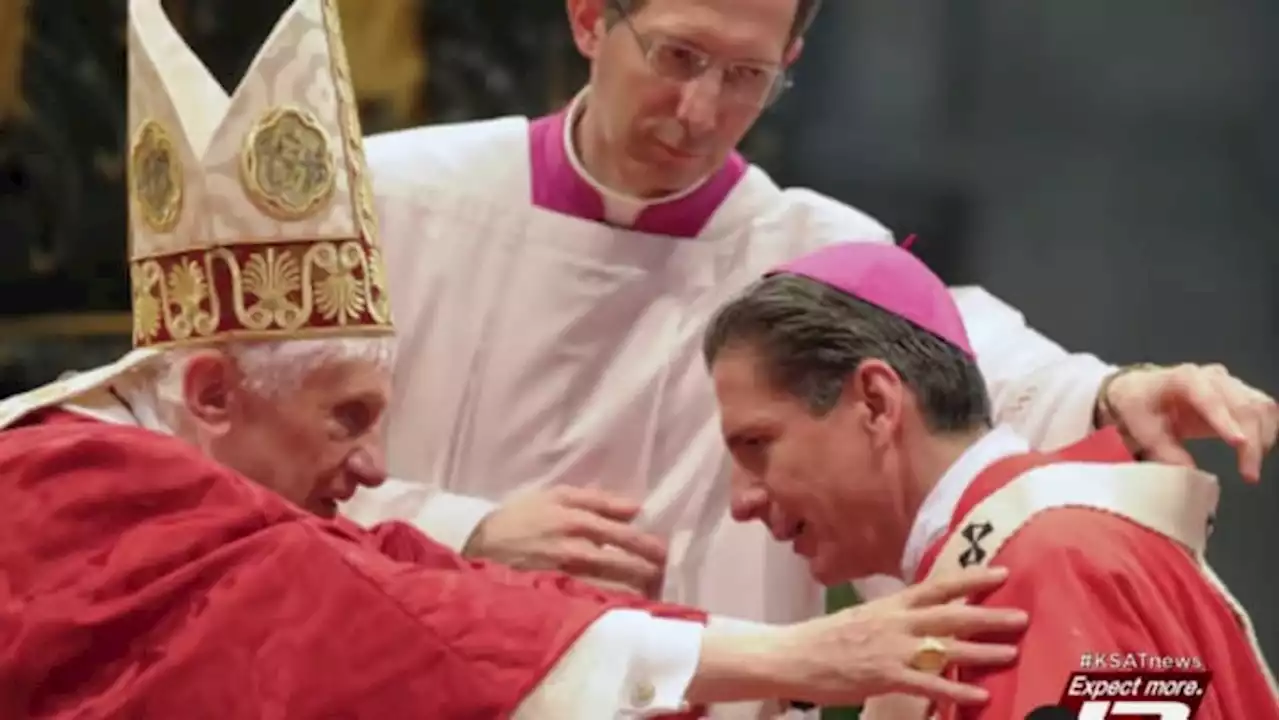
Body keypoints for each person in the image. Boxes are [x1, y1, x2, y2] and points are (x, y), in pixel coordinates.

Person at [0, 1, 1038, 717]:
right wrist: (791, 654)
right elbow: (404, 615)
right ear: (213, 390)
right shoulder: (77, 483)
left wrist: (1118, 391)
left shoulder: (168, 476)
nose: (370, 470)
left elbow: (389, 578)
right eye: (349, 419)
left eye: (747, 76)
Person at [350, 1, 1277, 713]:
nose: (701, 110)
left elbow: (965, 376)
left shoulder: (806, 246)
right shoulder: (390, 201)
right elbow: (239, 483)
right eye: (678, 57)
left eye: (748, 75)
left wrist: (1117, 390)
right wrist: (462, 532)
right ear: (591, 18)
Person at [702, 241, 1280, 719]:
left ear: (876, 404)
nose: (742, 501)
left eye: (757, 444)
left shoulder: (1055, 563)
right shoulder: (1006, 568)